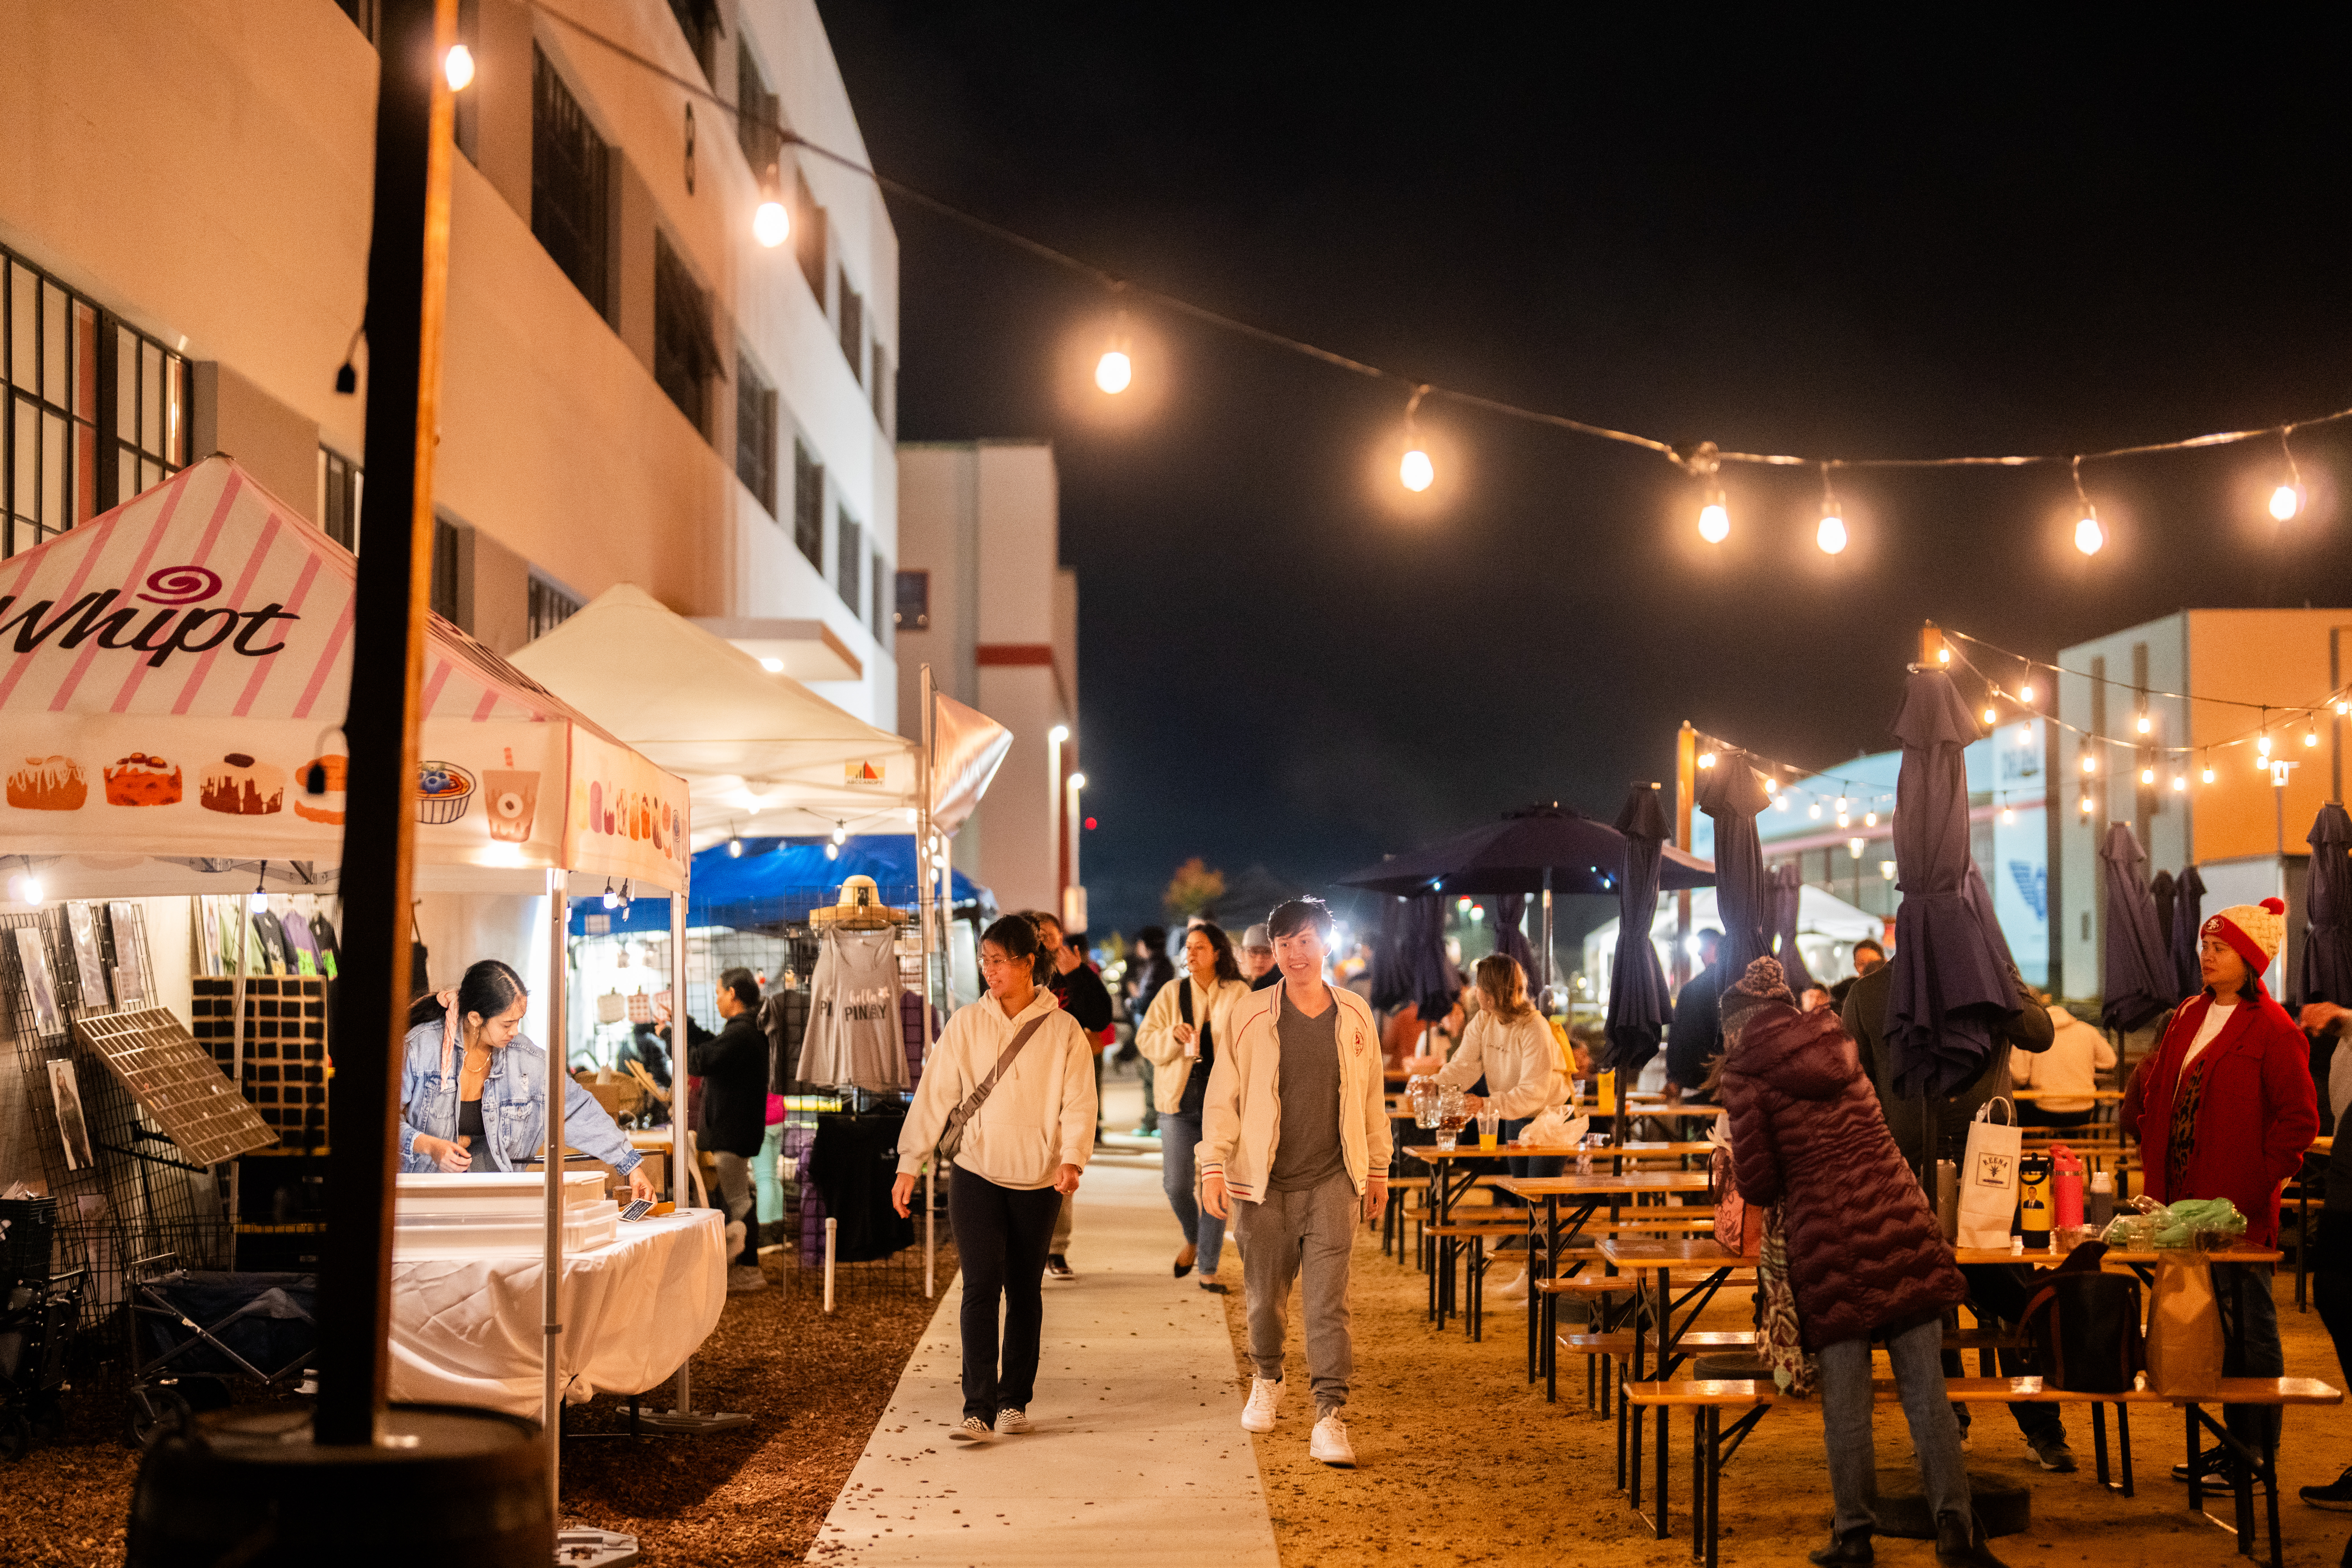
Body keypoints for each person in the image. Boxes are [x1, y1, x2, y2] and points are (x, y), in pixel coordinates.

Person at [1719, 956, 2005, 1568]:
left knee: (1846, 1404)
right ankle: (1955, 1529)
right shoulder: (1835, 1040)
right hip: (1897, 1218)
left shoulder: (1744, 1073)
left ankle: (1853, 1534)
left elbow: (1761, 1181)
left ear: (1737, 1025)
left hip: (1825, 1241)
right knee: (1926, 1395)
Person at [1844, 942, 2066, 1468]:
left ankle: (2041, 1423)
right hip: (1907, 1167)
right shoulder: (1871, 992)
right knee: (1929, 1302)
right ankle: (1950, 1423)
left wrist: (1999, 974)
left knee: (2013, 1293)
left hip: (1990, 1165)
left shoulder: (1985, 977)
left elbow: (2039, 1032)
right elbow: (1857, 1082)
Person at [2121, 898, 2317, 1482]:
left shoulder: (2274, 1029)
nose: (2205, 956)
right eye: (2203, 946)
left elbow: (2297, 1121)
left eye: (2219, 948)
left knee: (2247, 1327)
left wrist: (2254, 1185)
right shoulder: (2186, 1013)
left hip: (2234, 1211)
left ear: (2250, 959)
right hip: (2177, 1205)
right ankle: (2228, 1444)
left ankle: (2253, 1453)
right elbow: (2156, 1089)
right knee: (2211, 1326)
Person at [1201, 897, 1390, 1469]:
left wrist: (1377, 1167)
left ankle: (1328, 1415)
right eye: (1282, 944)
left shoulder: (1355, 1014)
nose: (1292, 954)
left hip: (1335, 1179)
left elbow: (1371, 1099)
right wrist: (1212, 1162)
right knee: (1263, 1300)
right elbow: (1223, 1094)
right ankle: (1267, 1376)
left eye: (1304, 941)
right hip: (1263, 1185)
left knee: (1328, 1303)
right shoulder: (1249, 1013)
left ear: (1326, 944)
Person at [892, 915, 1095, 1442]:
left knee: (1024, 1289)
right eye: (985, 960)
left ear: (1029, 963)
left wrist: (1071, 1157)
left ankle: (1014, 1401)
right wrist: (909, 1162)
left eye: (999, 960)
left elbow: (1078, 1101)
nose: (990, 970)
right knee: (980, 1287)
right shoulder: (965, 1024)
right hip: (976, 1172)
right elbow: (935, 1094)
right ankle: (977, 1407)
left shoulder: (1063, 1030)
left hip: (1037, 1178)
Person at [400, 959, 654, 1202]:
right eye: (507, 1023)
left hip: (492, 1201)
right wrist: (429, 1146)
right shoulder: (420, 1049)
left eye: (519, 1021)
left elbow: (576, 1109)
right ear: (476, 1018)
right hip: (422, 1198)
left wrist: (631, 1166)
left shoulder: (528, 1061)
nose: (516, 1032)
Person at [1434, 953, 1567, 1300]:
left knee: (1541, 1201)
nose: (1476, 993)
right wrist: (1434, 1083)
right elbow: (1464, 1066)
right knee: (1523, 1198)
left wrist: (1486, 1104)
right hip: (1512, 1117)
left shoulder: (1534, 1026)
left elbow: (1534, 1093)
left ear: (1491, 993)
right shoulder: (1484, 1021)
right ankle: (1529, 1274)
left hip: (1547, 1121)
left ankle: (1546, 1283)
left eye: (1480, 987)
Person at [1135, 921, 1251, 1291]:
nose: (1190, 953)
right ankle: (1194, 1236)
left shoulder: (1237, 992)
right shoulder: (1172, 992)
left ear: (1218, 952)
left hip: (1223, 1101)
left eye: (1199, 947)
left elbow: (1250, 1044)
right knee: (1175, 1184)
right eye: (1187, 947)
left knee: (1215, 1186)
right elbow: (1144, 1038)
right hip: (1178, 1100)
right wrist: (1171, 1034)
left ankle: (1208, 1269)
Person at [665, 967, 771, 1292]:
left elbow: (699, 1060)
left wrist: (669, 1038)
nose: (716, 1000)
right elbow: (712, 1048)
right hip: (737, 1128)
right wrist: (683, 1026)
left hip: (732, 1129)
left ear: (732, 994)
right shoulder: (746, 1030)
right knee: (739, 1197)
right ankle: (745, 1266)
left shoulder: (742, 1034)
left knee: (739, 1200)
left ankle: (749, 1269)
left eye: (718, 992)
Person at [1028, 910, 1112, 1277]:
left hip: (1067, 1075)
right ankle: (1027, 1244)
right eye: (1037, 935)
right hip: (1027, 1077)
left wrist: (1076, 975)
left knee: (1061, 1157)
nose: (1044, 941)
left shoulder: (1078, 970)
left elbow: (1100, 1017)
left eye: (1049, 934)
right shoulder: (1020, 972)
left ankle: (1056, 1247)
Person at [2009, 989, 2116, 1128]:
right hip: (2083, 1110)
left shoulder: (2030, 1033)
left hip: (2046, 1109)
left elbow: (2020, 1076)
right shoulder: (2087, 1030)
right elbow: (2110, 1062)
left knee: (2017, 1108)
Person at [1124, 925, 1177, 1137]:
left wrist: (1133, 1002)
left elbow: (1148, 1001)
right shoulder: (1160, 965)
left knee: (1154, 1076)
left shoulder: (1158, 966)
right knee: (1152, 1076)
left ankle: (1154, 1121)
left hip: (1155, 1030)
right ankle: (1153, 1121)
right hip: (1156, 1028)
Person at [1663, 929, 1726, 1092]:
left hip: (1697, 1080)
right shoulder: (1737, 984)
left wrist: (1675, 1078)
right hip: (1729, 1080)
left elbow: (1679, 1037)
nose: (1698, 954)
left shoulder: (1693, 990)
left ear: (1713, 947)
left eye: (1702, 947)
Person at [1828, 937, 1886, 1012]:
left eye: (1872, 962)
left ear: (1885, 962)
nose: (1867, 968)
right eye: (1862, 964)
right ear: (1856, 966)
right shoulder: (1848, 987)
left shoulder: (1892, 987)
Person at [1240, 923, 1280, 991]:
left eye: (1267, 952)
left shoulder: (1282, 986)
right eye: (1254, 952)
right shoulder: (1237, 986)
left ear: (1276, 957)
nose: (1260, 959)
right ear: (1243, 955)